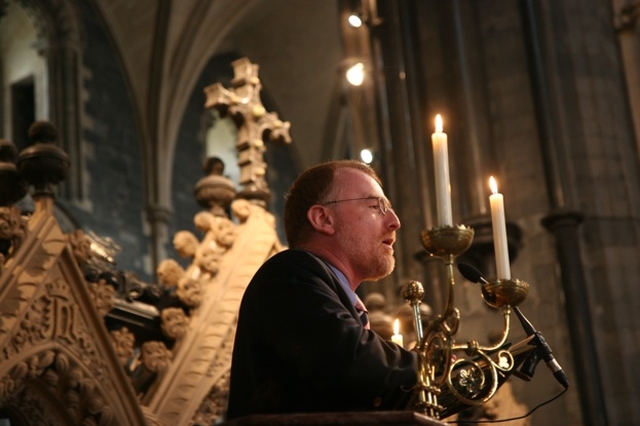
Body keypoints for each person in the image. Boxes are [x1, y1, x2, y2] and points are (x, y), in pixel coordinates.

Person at [226, 160, 418, 420]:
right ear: (323, 218)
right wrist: (431, 363)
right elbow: (352, 360)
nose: (395, 222)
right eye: (376, 206)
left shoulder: (336, 297)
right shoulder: (287, 274)